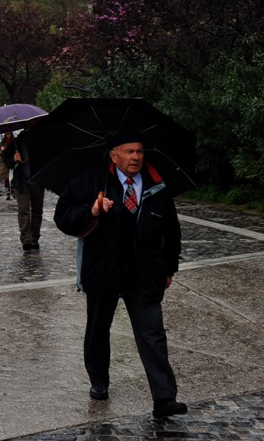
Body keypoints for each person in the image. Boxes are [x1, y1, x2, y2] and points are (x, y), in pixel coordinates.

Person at [54, 131, 187, 418]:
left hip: (145, 272)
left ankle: (164, 398)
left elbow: (171, 229)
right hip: (104, 269)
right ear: (113, 155)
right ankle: (99, 382)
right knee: (98, 330)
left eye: (139, 151)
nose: (136, 157)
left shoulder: (156, 183)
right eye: (129, 152)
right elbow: (62, 217)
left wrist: (169, 267)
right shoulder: (92, 180)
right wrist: (92, 210)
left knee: (152, 333)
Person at [2, 134, 45, 252]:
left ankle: (34, 237)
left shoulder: (42, 140)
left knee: (37, 210)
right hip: (21, 182)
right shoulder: (17, 142)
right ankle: (26, 238)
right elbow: (7, 160)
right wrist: (13, 159)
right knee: (23, 209)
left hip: (38, 181)